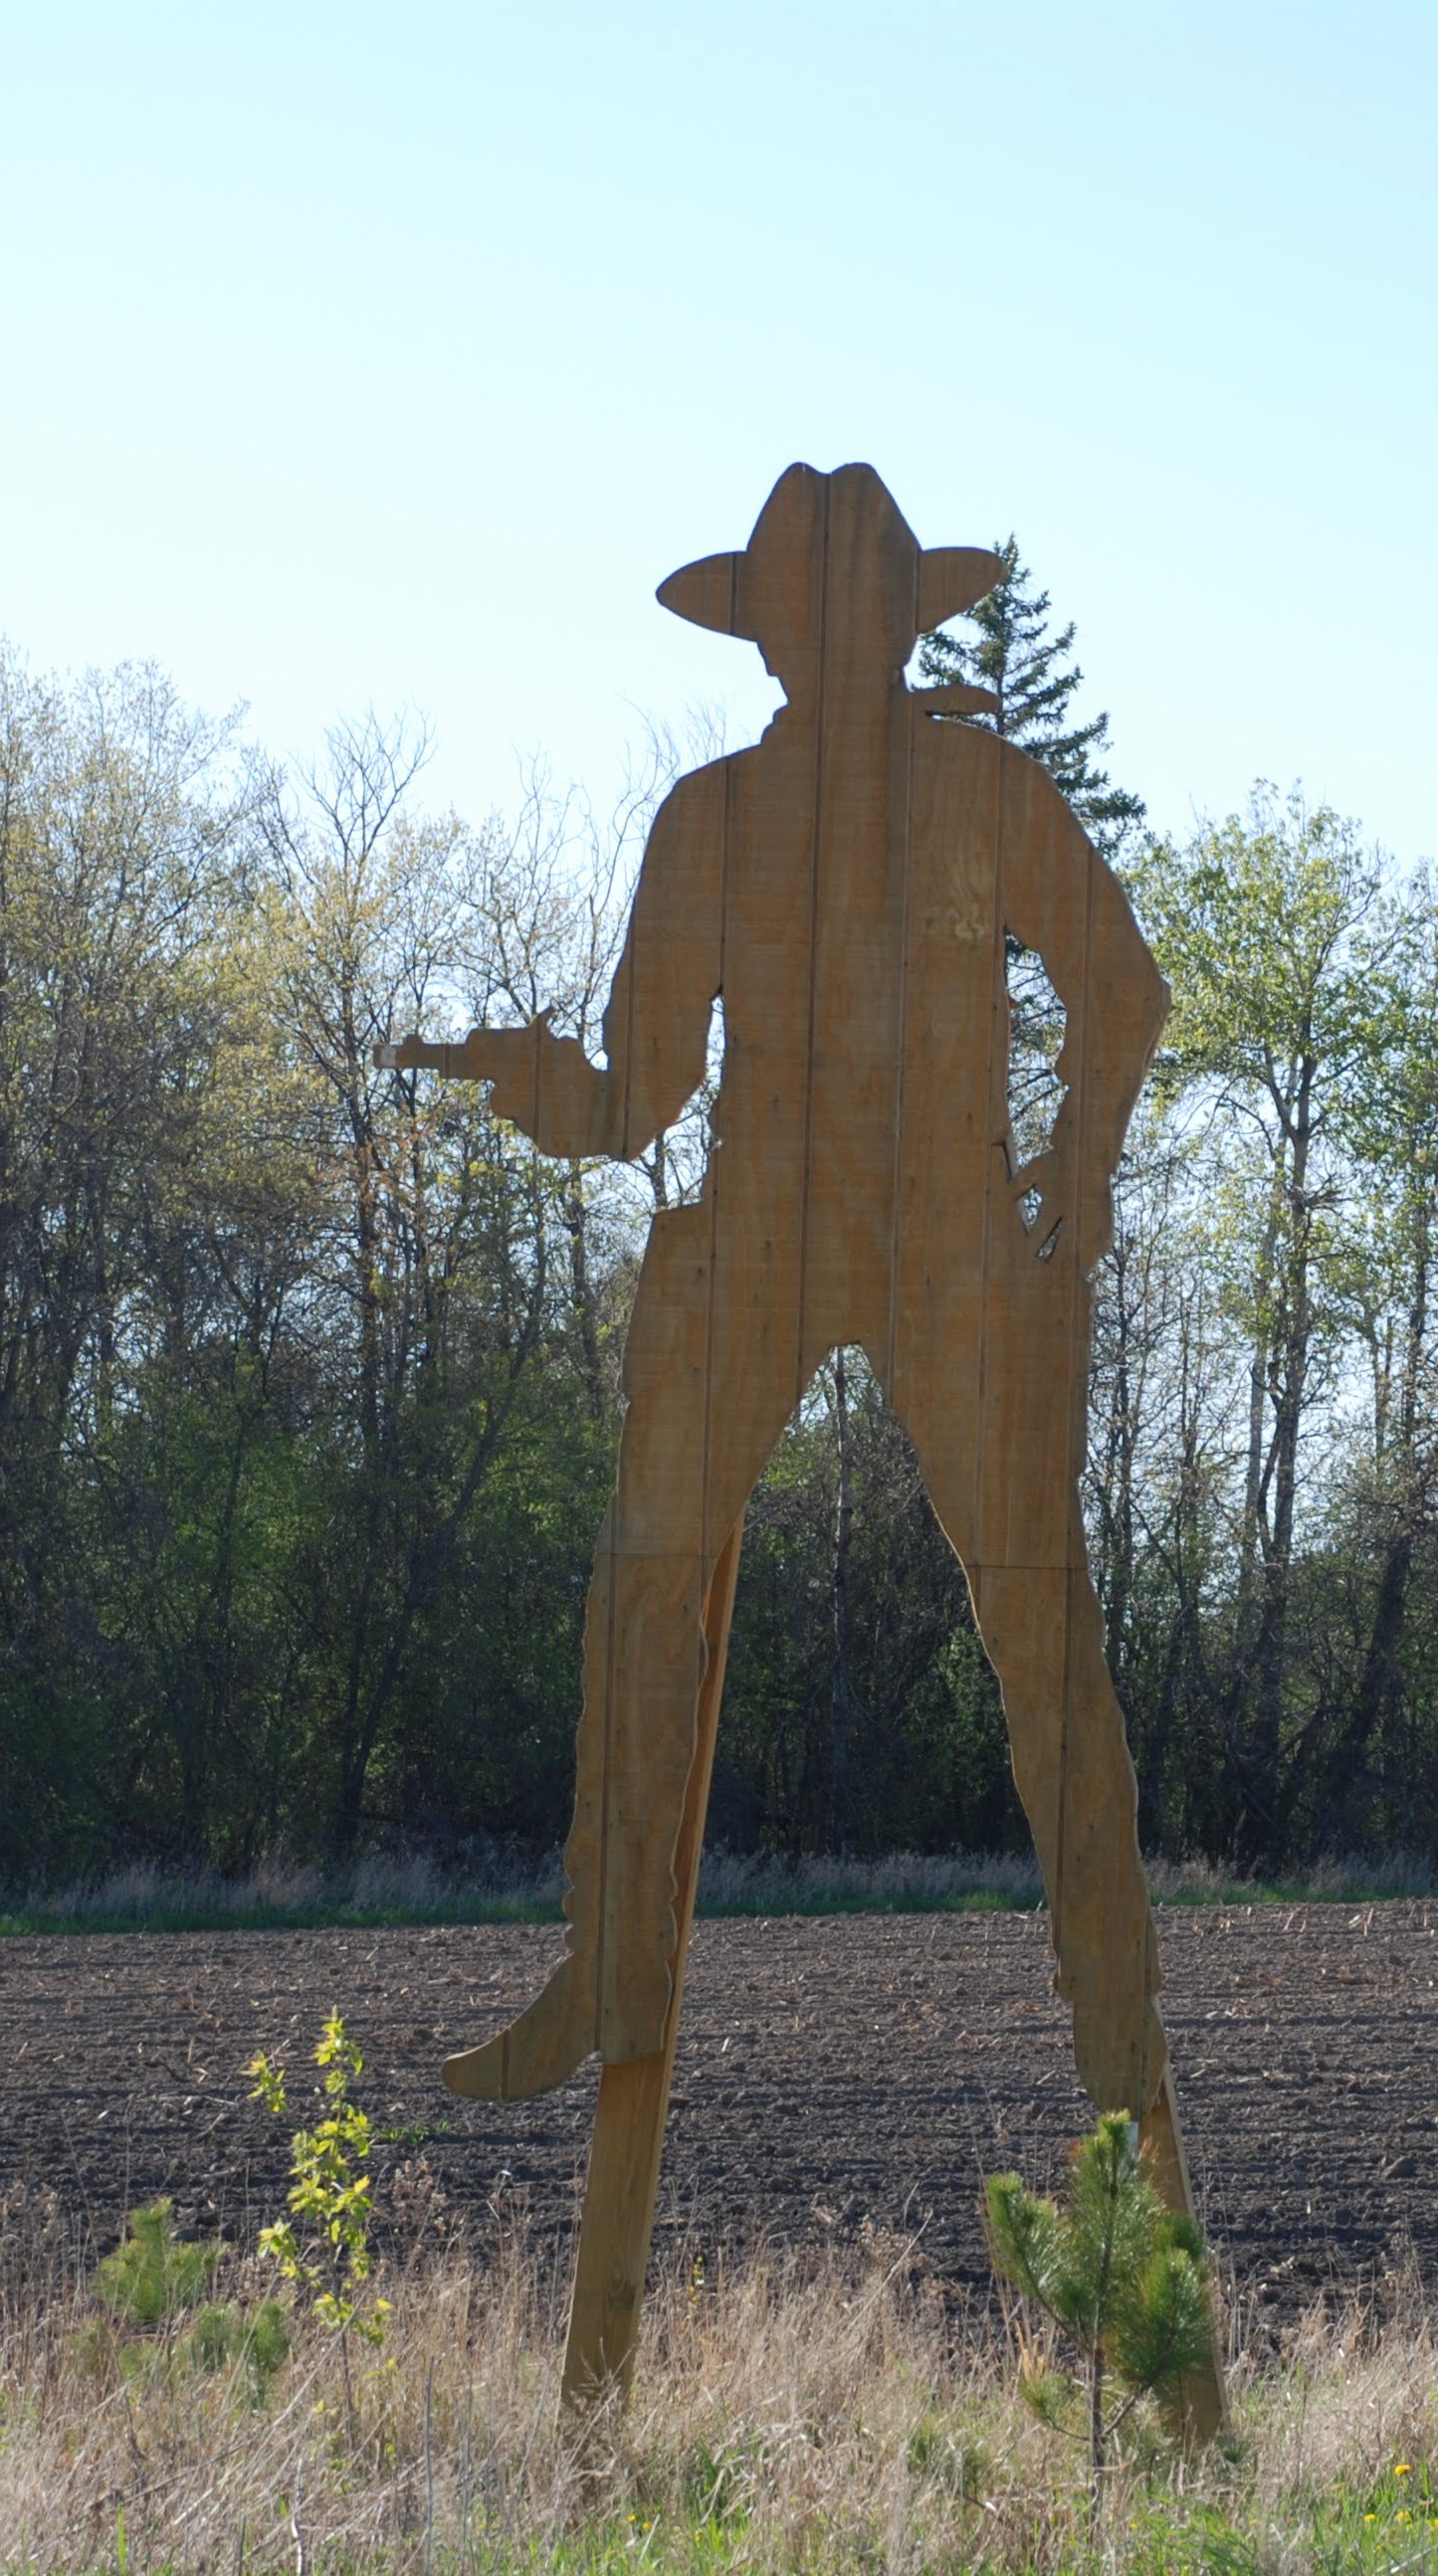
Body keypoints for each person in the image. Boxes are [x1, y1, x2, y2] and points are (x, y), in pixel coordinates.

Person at [392, 464, 1213, 2431]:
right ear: (768, 637)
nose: (831, 646)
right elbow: (637, 1096)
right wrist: (526, 1085)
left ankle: (1128, 2103)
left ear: (892, 630)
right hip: (761, 1224)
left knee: (1049, 1674)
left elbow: (1124, 988)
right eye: (804, 616)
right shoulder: (718, 818)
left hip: (948, 1248)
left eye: (858, 615)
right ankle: (609, 1951)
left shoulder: (987, 794)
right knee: (643, 1570)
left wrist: (1073, 1187)